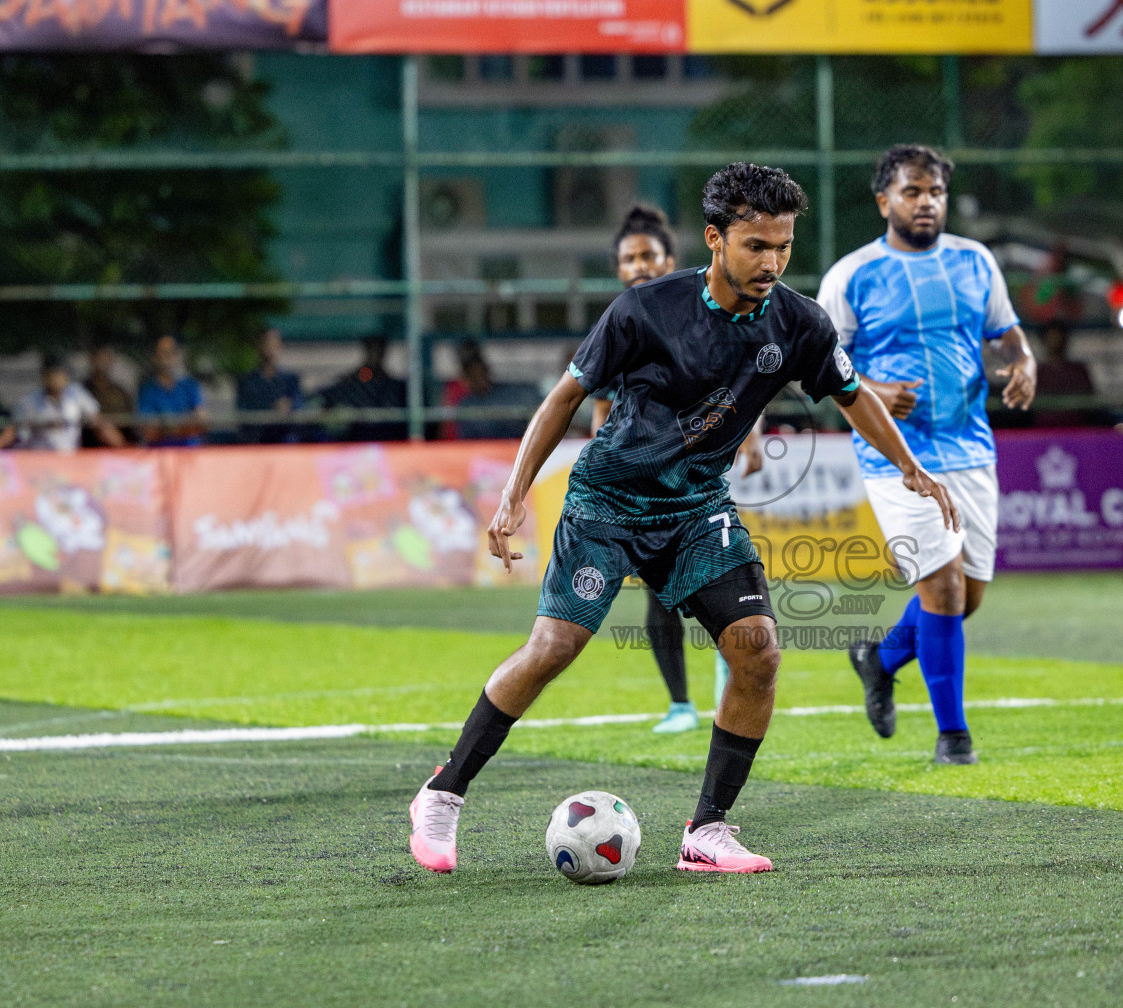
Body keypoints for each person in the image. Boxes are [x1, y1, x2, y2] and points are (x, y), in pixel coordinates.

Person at [407, 163, 958, 876]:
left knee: (757, 650)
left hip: (697, 509)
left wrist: (911, 466)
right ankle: (443, 793)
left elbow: (854, 397)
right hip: (608, 503)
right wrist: (515, 495)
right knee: (553, 649)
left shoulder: (798, 323)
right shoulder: (646, 309)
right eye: (757, 245)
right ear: (714, 238)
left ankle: (708, 831)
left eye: (784, 246)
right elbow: (562, 399)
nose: (773, 262)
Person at [817, 144, 1037, 765]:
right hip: (893, 456)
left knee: (967, 597)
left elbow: (1007, 331)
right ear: (884, 199)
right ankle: (953, 736)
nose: (925, 202)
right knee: (940, 584)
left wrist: (1024, 363)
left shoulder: (974, 261)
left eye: (934, 191)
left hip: (969, 447)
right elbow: (819, 366)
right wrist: (872, 389)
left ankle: (878, 657)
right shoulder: (851, 275)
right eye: (912, 192)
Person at [591, 203, 764, 735]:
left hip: (700, 473)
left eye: (648, 255)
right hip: (642, 481)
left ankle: (728, 645)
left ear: (670, 259)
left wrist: (753, 436)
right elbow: (600, 403)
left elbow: (746, 379)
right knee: (657, 585)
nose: (638, 265)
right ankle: (682, 704)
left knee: (710, 571)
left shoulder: (710, 310)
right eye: (628, 258)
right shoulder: (621, 319)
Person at [0, 354, 125, 452]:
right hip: (38, 462)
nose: (55, 379)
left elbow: (100, 423)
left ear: (66, 376)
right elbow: (11, 432)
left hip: (68, 460)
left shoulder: (77, 395)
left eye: (59, 374)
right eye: (51, 374)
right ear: (44, 377)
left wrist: (124, 447)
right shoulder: (29, 402)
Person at [318, 334, 407, 442]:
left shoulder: (392, 384)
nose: (375, 353)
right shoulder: (357, 378)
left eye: (379, 349)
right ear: (366, 350)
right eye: (372, 349)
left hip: (388, 429)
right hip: (358, 429)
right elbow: (327, 397)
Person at [236, 328, 304, 444]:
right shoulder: (246, 381)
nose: (270, 349)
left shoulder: (291, 380)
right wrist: (271, 409)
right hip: (257, 441)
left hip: (284, 440)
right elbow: (243, 414)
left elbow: (299, 408)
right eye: (266, 344)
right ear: (258, 347)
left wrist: (289, 408)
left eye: (274, 345)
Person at [137, 336, 206, 447]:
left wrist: (165, 428)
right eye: (163, 352)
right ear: (155, 357)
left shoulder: (190, 386)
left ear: (179, 356)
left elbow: (201, 422)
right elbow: (149, 430)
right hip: (157, 454)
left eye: (172, 352)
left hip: (190, 455)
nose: (168, 357)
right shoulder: (147, 390)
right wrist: (184, 426)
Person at [454, 356, 539, 440]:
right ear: (466, 379)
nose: (479, 379)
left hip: (510, 445)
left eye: (481, 373)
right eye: (473, 376)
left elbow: (519, 424)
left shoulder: (506, 394)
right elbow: (467, 439)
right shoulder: (466, 404)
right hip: (479, 449)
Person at [82, 345, 136, 446]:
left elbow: (132, 428)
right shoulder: (82, 391)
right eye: (100, 356)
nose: (103, 361)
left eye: (107, 356)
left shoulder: (121, 393)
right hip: (90, 449)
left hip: (120, 449)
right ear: (92, 359)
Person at [439, 339, 482, 442]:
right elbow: (445, 423)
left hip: (473, 440)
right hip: (453, 441)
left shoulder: (480, 386)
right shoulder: (452, 387)